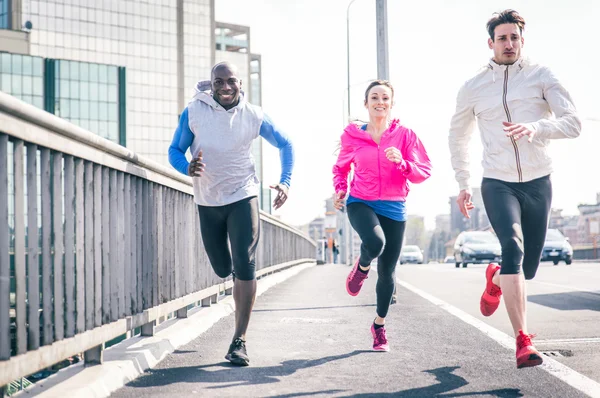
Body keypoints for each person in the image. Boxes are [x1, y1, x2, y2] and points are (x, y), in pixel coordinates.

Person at [448, 10, 581, 368]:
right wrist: (463, 183)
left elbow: (573, 124)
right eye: (502, 38)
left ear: (522, 41)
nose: (509, 44)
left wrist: (536, 128)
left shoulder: (542, 76)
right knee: (513, 247)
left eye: (515, 38)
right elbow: (457, 136)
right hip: (497, 181)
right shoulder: (473, 86)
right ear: (490, 43)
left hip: (538, 181)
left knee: (530, 268)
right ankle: (523, 340)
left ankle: (495, 279)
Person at [168, 61, 294, 366]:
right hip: (208, 201)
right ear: (211, 84)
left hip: (243, 195)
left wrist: (286, 181)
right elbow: (174, 149)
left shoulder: (254, 115)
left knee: (245, 264)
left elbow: (286, 143)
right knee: (223, 268)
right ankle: (232, 279)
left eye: (231, 81)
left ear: (241, 84)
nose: (225, 87)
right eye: (219, 82)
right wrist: (185, 166)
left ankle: (240, 341)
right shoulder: (194, 112)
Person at [333, 80, 431, 351]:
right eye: (374, 97)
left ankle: (379, 326)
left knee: (388, 272)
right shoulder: (352, 136)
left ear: (391, 104)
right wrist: (341, 190)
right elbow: (340, 169)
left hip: (394, 206)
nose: (380, 102)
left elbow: (424, 170)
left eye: (385, 98)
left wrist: (403, 162)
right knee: (375, 243)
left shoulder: (405, 135)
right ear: (366, 104)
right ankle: (362, 267)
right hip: (360, 201)